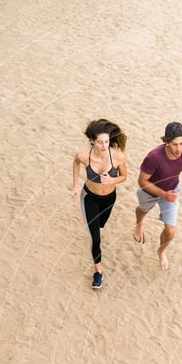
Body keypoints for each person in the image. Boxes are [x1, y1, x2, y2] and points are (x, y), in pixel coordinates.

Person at [72, 119, 127, 288]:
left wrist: (112, 179)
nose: (104, 146)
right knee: (95, 238)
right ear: (92, 141)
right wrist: (75, 186)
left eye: (106, 141)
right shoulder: (83, 155)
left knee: (101, 224)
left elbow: (124, 176)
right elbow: (75, 163)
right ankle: (99, 272)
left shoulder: (117, 155)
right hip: (89, 198)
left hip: (109, 198)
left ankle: (97, 226)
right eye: (100, 142)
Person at [133, 122, 182, 269]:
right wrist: (162, 194)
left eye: (181, 143)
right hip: (150, 191)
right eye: (174, 144)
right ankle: (139, 223)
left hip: (172, 191)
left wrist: (168, 193)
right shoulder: (153, 158)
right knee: (143, 210)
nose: (179, 149)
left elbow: (179, 163)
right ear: (166, 142)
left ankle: (161, 251)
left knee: (171, 230)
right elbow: (142, 181)